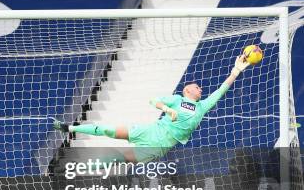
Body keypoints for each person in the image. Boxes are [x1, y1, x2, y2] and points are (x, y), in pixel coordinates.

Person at [54, 55, 252, 163]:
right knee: (108, 130)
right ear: (187, 90)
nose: (200, 88)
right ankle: (69, 129)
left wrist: (235, 71)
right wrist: (168, 109)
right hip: (151, 130)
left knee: (119, 159)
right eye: (196, 86)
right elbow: (153, 100)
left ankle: (87, 169)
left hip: (160, 145)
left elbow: (221, 91)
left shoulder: (202, 107)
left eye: (200, 88)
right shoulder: (176, 99)